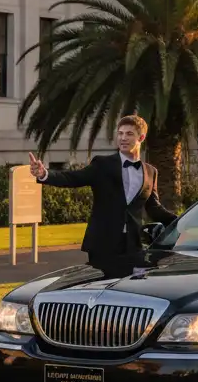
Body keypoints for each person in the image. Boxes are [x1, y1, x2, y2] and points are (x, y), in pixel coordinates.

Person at [27, 115, 176, 279]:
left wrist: (184, 221)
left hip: (134, 245)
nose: (123, 138)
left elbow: (154, 208)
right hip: (103, 244)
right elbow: (73, 178)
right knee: (102, 292)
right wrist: (44, 174)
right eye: (120, 133)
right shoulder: (102, 164)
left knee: (131, 291)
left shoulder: (150, 172)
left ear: (141, 137)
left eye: (129, 134)